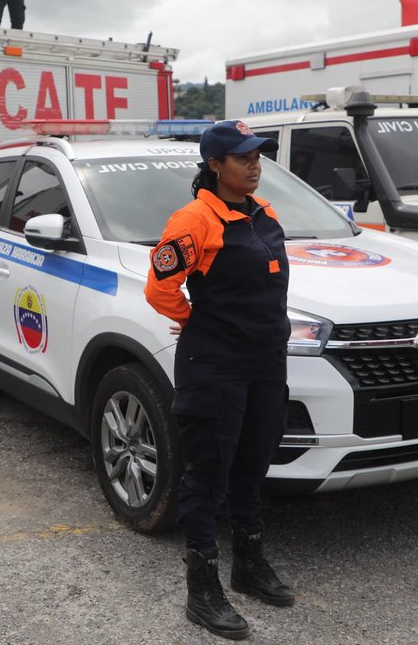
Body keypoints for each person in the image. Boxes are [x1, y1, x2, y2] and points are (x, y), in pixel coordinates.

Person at [144, 120, 294, 640]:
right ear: (214, 165)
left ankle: (248, 565)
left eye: (258, 156)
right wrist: (193, 320)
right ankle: (201, 589)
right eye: (243, 157)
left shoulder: (263, 212)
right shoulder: (193, 219)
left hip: (265, 362)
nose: (255, 165)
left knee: (253, 462)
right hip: (216, 364)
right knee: (208, 472)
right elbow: (160, 286)